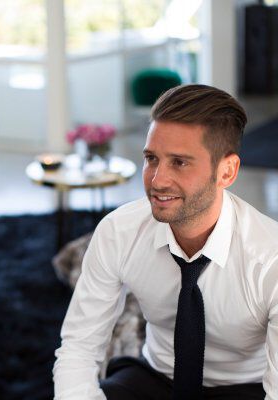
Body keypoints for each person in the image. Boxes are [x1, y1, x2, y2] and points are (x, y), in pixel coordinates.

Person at [53, 84, 278, 400]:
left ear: (227, 172)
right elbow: (79, 345)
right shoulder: (119, 232)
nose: (157, 180)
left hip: (244, 389)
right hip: (155, 378)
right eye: (151, 158)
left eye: (180, 162)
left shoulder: (270, 258)